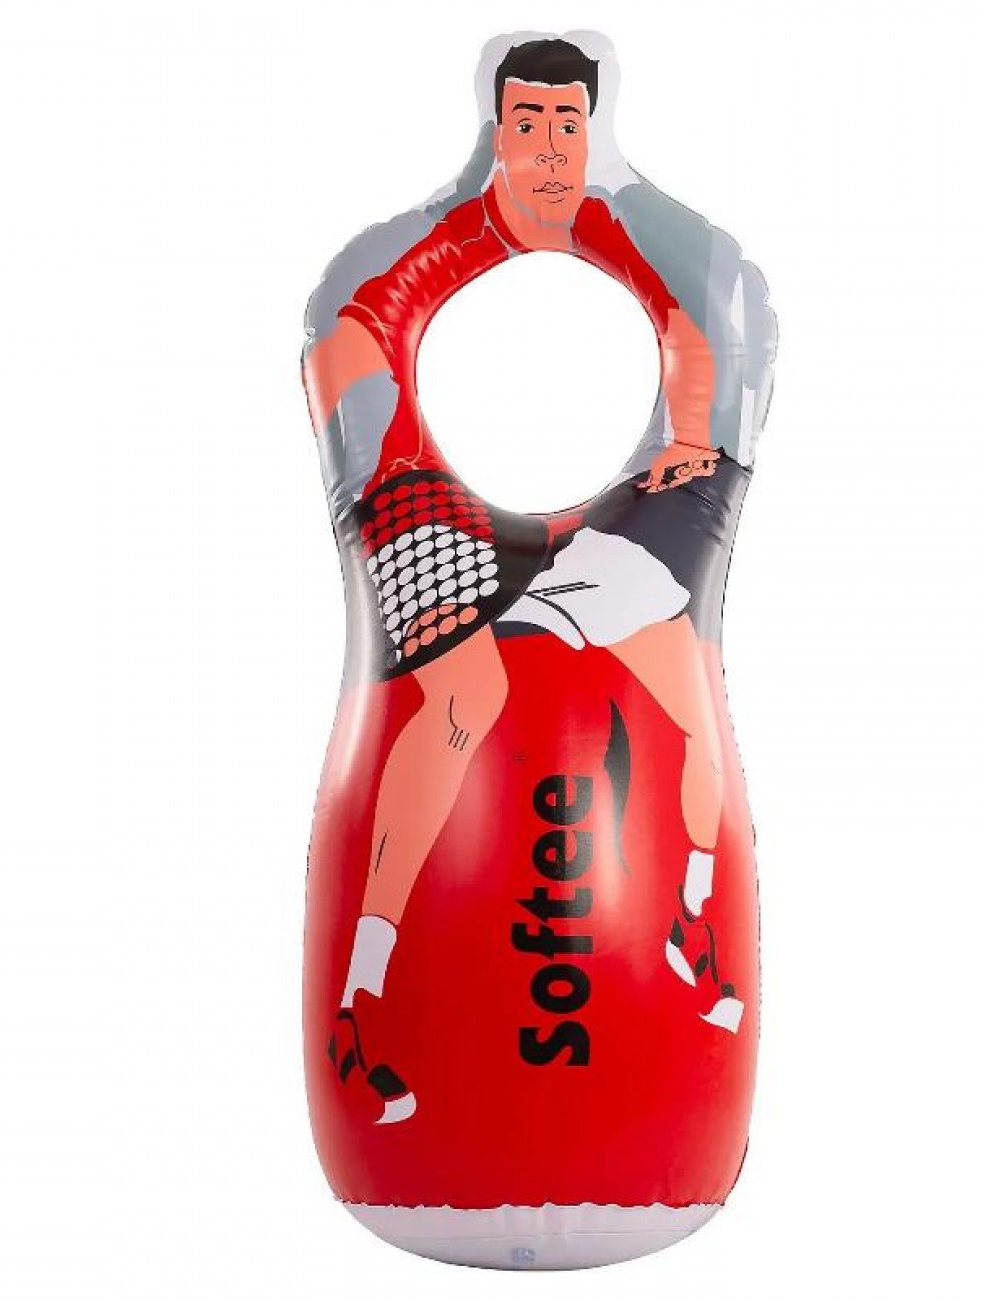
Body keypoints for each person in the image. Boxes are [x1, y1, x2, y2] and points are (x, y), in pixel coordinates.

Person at [304, 38, 742, 1126]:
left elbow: (705, 323)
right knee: (472, 696)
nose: (547, 148)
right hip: (412, 493)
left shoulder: (620, 231)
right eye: (528, 123)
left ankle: (687, 921)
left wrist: (693, 432)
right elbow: (355, 327)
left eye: (566, 126)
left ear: (591, 135)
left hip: (620, 518)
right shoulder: (441, 243)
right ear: (497, 132)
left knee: (679, 691)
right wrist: (367, 428)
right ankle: (366, 1000)